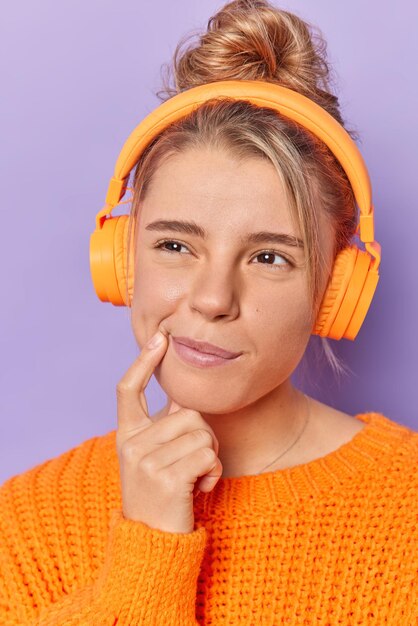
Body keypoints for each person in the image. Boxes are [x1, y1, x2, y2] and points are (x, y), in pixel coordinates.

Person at [1, 1, 417, 623]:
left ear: (335, 290)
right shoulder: (26, 522)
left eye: (270, 258)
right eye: (175, 245)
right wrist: (148, 550)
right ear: (123, 260)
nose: (213, 298)